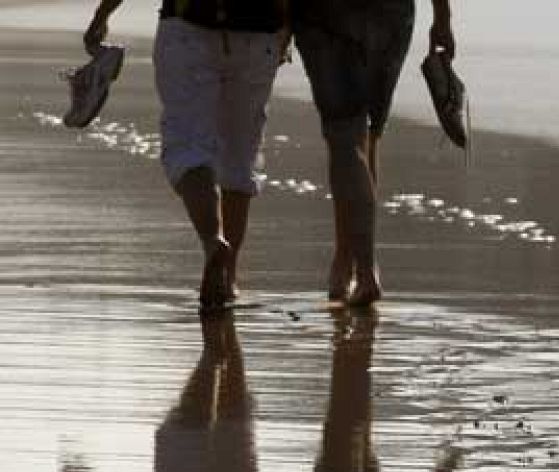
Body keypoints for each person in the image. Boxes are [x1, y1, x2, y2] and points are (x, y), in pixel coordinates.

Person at [83, 0, 290, 310]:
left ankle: (212, 240)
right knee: (240, 156)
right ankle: (229, 276)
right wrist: (286, 30)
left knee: (188, 147)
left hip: (188, 29)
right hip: (259, 33)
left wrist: (102, 15)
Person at [293, 0, 456, 306]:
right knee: (367, 137)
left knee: (346, 137)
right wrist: (442, 17)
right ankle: (348, 260)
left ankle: (364, 269)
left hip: (326, 16)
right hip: (390, 13)